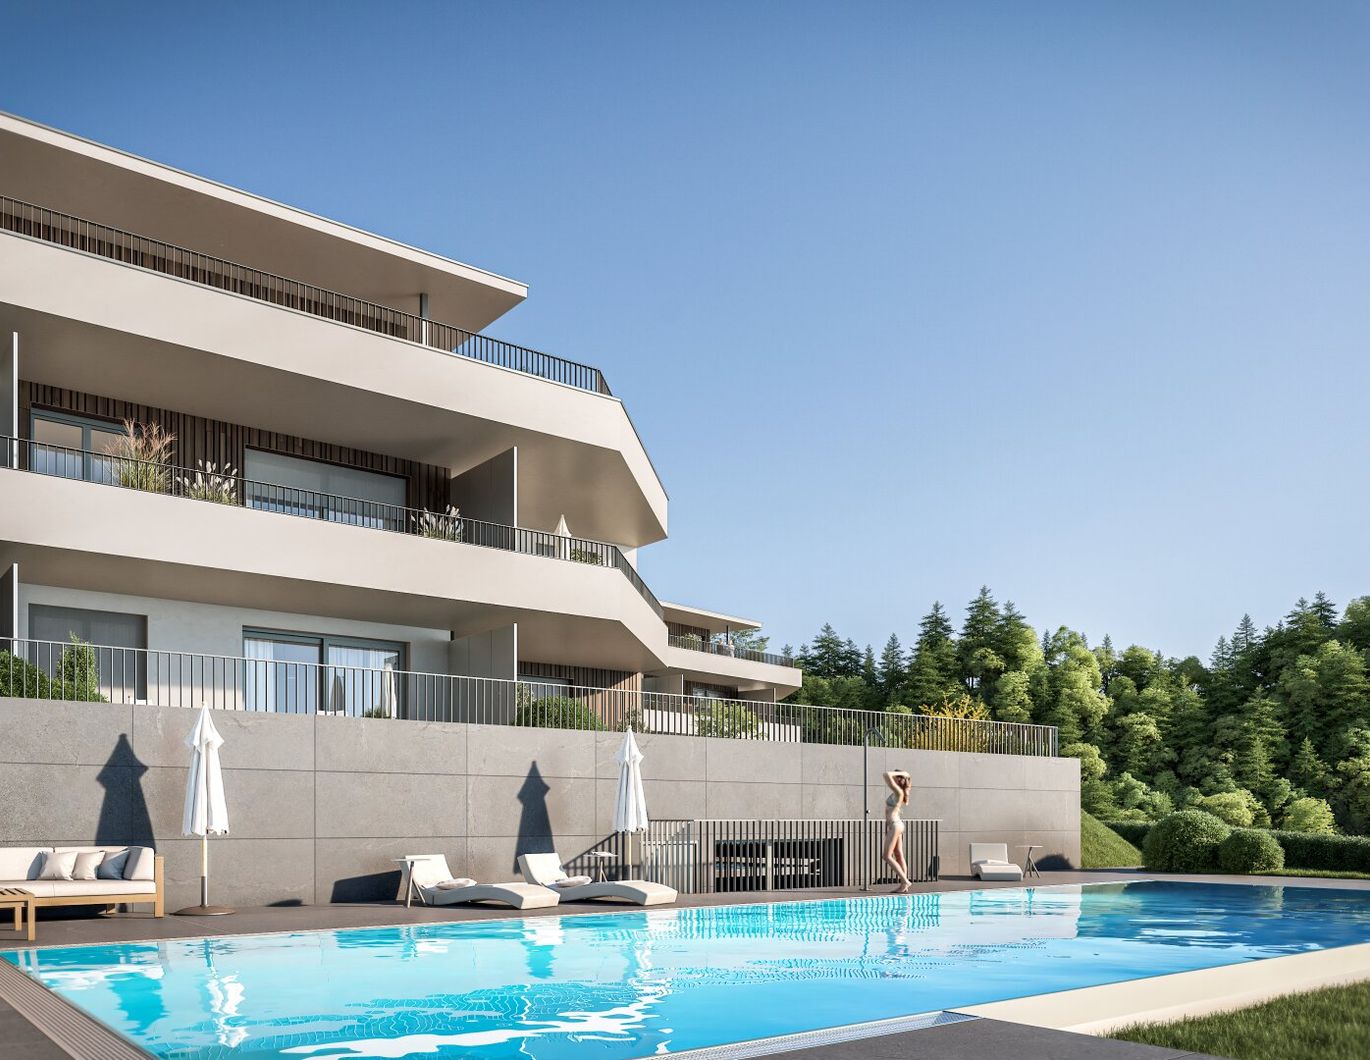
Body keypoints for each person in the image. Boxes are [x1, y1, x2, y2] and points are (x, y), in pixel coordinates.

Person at [882, 769, 913, 893]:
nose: (892, 778)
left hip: (895, 825)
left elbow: (886, 775)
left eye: (895, 776)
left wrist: (904, 774)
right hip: (896, 824)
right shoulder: (899, 792)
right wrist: (905, 775)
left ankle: (905, 880)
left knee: (887, 856)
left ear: (898, 779)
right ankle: (903, 886)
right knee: (899, 855)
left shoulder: (898, 791)